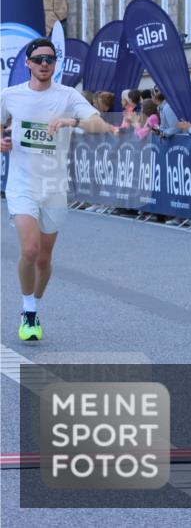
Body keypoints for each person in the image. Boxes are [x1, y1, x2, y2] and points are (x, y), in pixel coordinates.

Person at [0, 38, 118, 342]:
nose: (44, 64)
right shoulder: (10, 96)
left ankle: (35, 303)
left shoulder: (67, 95)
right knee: (30, 249)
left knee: (44, 258)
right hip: (22, 184)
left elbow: (101, 126)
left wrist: (70, 121)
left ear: (55, 64)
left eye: (49, 59)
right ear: (27, 63)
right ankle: (27, 311)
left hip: (54, 186)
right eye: (38, 59)